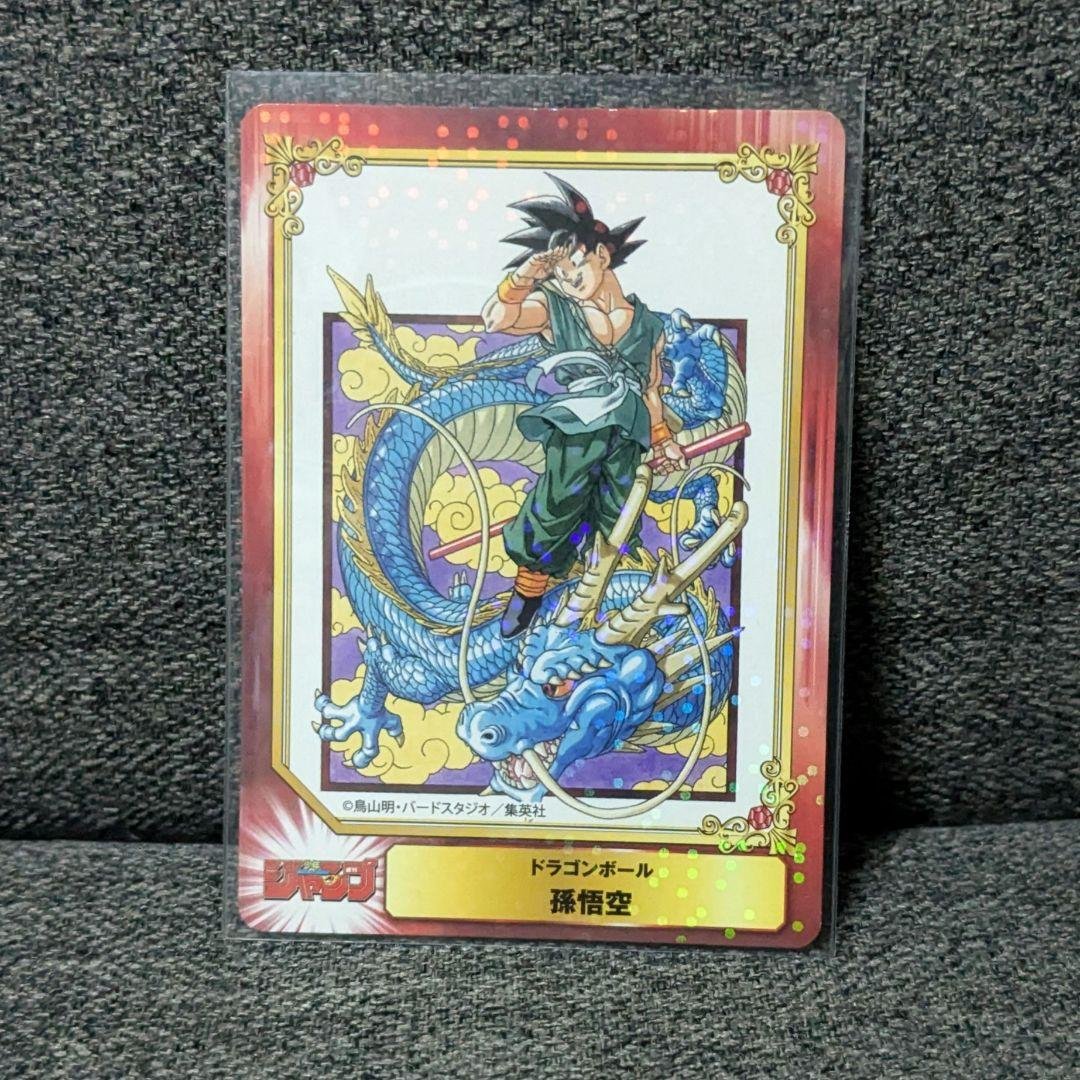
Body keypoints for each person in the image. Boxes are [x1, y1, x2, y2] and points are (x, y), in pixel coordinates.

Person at [481, 174, 687, 638]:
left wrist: (662, 440)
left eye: (573, 264)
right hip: (578, 430)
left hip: (627, 435)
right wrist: (527, 275)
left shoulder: (648, 325)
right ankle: (528, 594)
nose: (567, 278)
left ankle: (599, 601)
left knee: (619, 515)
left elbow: (651, 389)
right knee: (555, 506)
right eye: (557, 273)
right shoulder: (556, 308)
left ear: (602, 255)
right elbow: (497, 318)